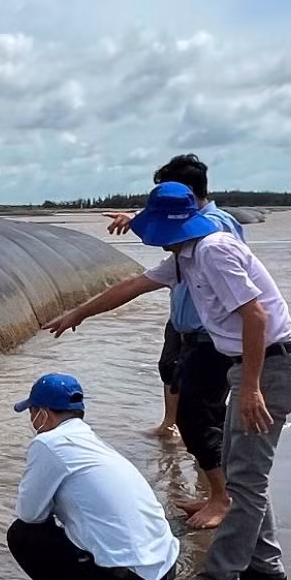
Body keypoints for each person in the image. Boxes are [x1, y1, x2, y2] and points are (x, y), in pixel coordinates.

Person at [44, 182, 291, 580]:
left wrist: (251, 387)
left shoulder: (213, 251)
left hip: (268, 367)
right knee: (246, 474)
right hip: (252, 366)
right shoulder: (187, 256)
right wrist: (79, 313)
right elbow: (133, 285)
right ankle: (264, 565)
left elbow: (256, 316)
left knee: (245, 482)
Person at [102, 154, 245, 528]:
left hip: (209, 333)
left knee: (202, 416)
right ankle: (215, 490)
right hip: (186, 322)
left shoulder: (212, 232)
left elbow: (254, 310)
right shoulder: (193, 233)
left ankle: (222, 497)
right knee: (186, 398)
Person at [7, 373, 180, 580]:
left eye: (32, 412)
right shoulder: (92, 441)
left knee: (23, 535)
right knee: (94, 534)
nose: (32, 421)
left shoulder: (48, 443)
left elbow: (29, 515)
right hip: (164, 570)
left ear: (43, 413)